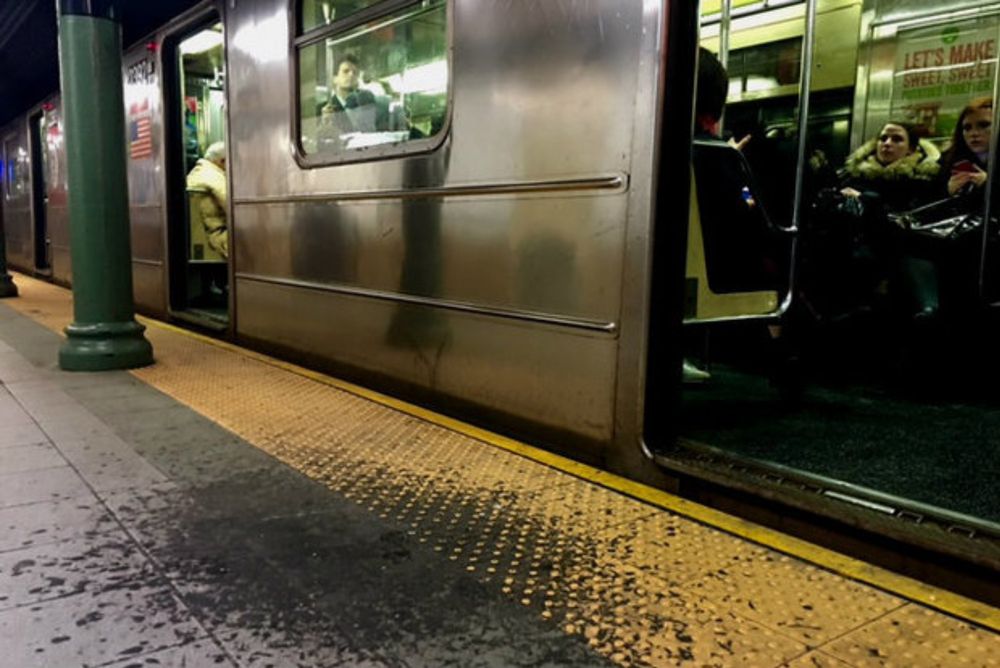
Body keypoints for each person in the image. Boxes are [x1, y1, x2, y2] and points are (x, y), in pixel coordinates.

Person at [833, 122, 941, 320]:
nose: (887, 143)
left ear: (911, 149)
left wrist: (868, 201)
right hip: (855, 256)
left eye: (897, 139)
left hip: (902, 256)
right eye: (883, 138)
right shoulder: (851, 177)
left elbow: (913, 223)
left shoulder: (923, 180)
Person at [939, 96, 992, 199]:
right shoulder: (948, 160)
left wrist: (987, 185)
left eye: (984, 125)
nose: (974, 133)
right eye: (967, 128)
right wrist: (947, 191)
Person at [320, 54, 386, 136]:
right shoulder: (324, 109)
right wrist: (324, 125)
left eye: (355, 72)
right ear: (334, 78)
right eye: (346, 71)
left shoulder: (366, 101)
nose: (351, 75)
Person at [186, 141, 228, 259]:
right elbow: (230, 205)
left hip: (203, 233)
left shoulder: (197, 173)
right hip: (218, 235)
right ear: (222, 161)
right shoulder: (214, 177)